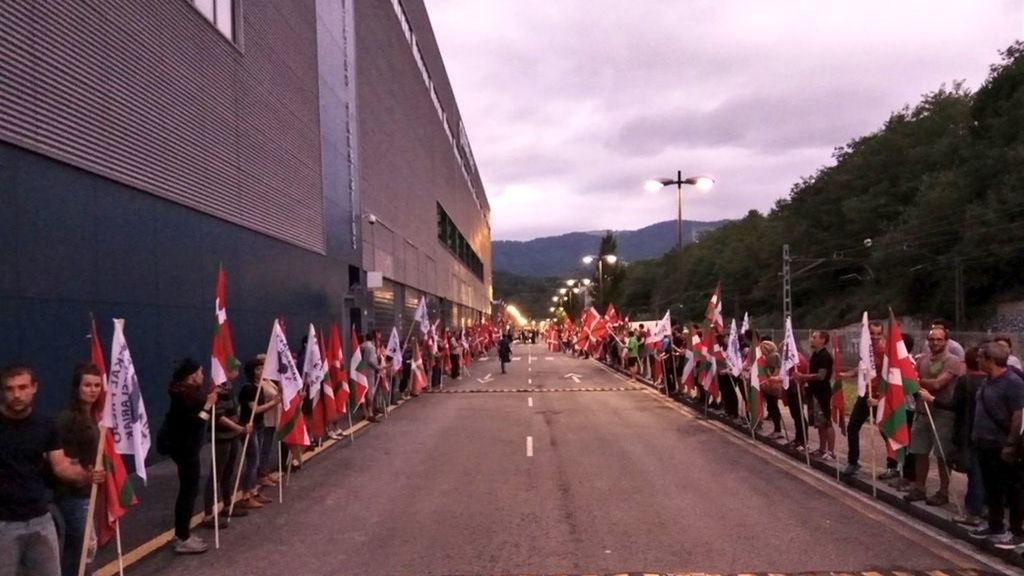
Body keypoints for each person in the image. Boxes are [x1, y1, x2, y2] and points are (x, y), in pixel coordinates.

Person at [1, 364, 105, 576]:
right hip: (3, 526)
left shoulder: (45, 426)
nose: (17, 394)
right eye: (10, 389)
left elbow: (61, 466)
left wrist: (86, 476)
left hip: (41, 521)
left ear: (34, 388)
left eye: (22, 387)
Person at [969, 341, 1024, 548]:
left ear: (991, 360)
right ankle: (995, 525)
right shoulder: (987, 382)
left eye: (981, 357)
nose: (978, 360)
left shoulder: (1013, 383)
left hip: (1002, 447)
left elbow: (1019, 416)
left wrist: (1011, 446)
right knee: (992, 489)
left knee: (1013, 490)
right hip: (984, 444)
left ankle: (1017, 532)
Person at [163, 359, 218, 554]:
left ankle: (183, 533)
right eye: (200, 372)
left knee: (189, 490)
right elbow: (196, 423)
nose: (203, 376)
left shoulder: (185, 394)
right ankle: (182, 537)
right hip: (185, 449)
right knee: (188, 491)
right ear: (192, 376)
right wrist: (208, 406)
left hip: (186, 448)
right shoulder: (185, 398)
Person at [54, 363, 104, 576]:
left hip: (86, 493)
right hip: (72, 496)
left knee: (83, 549)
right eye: (87, 385)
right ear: (77, 388)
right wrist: (84, 475)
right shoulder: (67, 419)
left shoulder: (90, 418)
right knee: (82, 549)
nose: (93, 390)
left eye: (96, 385)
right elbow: (62, 460)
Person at [904, 327, 962, 505]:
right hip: (922, 413)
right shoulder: (922, 360)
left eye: (939, 339)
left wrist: (918, 382)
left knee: (942, 455)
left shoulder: (953, 361)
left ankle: (943, 492)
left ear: (946, 341)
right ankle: (919, 487)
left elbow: (938, 384)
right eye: (932, 339)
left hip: (943, 415)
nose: (935, 342)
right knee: (919, 451)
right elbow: (911, 384)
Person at [841, 321, 896, 477]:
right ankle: (853, 462)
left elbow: (890, 376)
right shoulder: (865, 349)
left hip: (879, 396)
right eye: (872, 333)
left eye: (879, 334)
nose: (875, 337)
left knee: (886, 431)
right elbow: (863, 367)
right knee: (852, 427)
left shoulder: (885, 351)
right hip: (865, 393)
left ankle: (893, 466)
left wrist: (881, 399)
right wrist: (849, 374)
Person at [951, 346, 987, 527]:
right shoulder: (990, 381)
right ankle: (985, 506)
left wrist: (932, 400)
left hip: (969, 433)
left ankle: (973, 511)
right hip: (988, 434)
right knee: (985, 473)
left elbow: (954, 406)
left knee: (975, 474)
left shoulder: (965, 381)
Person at [238, 356, 280, 509]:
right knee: (253, 460)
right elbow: (254, 410)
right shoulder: (248, 388)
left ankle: (254, 491)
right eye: (258, 369)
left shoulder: (259, 387)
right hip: (250, 427)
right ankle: (245, 495)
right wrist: (273, 403)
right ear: (251, 372)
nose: (261, 371)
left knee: (255, 460)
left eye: (262, 368)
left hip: (260, 425)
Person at [794, 330, 835, 461]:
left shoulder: (825, 356)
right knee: (819, 423)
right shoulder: (814, 355)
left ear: (822, 340)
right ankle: (822, 448)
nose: (811, 339)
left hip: (822, 393)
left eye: (814, 337)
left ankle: (831, 451)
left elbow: (821, 376)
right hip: (814, 392)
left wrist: (803, 377)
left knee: (827, 422)